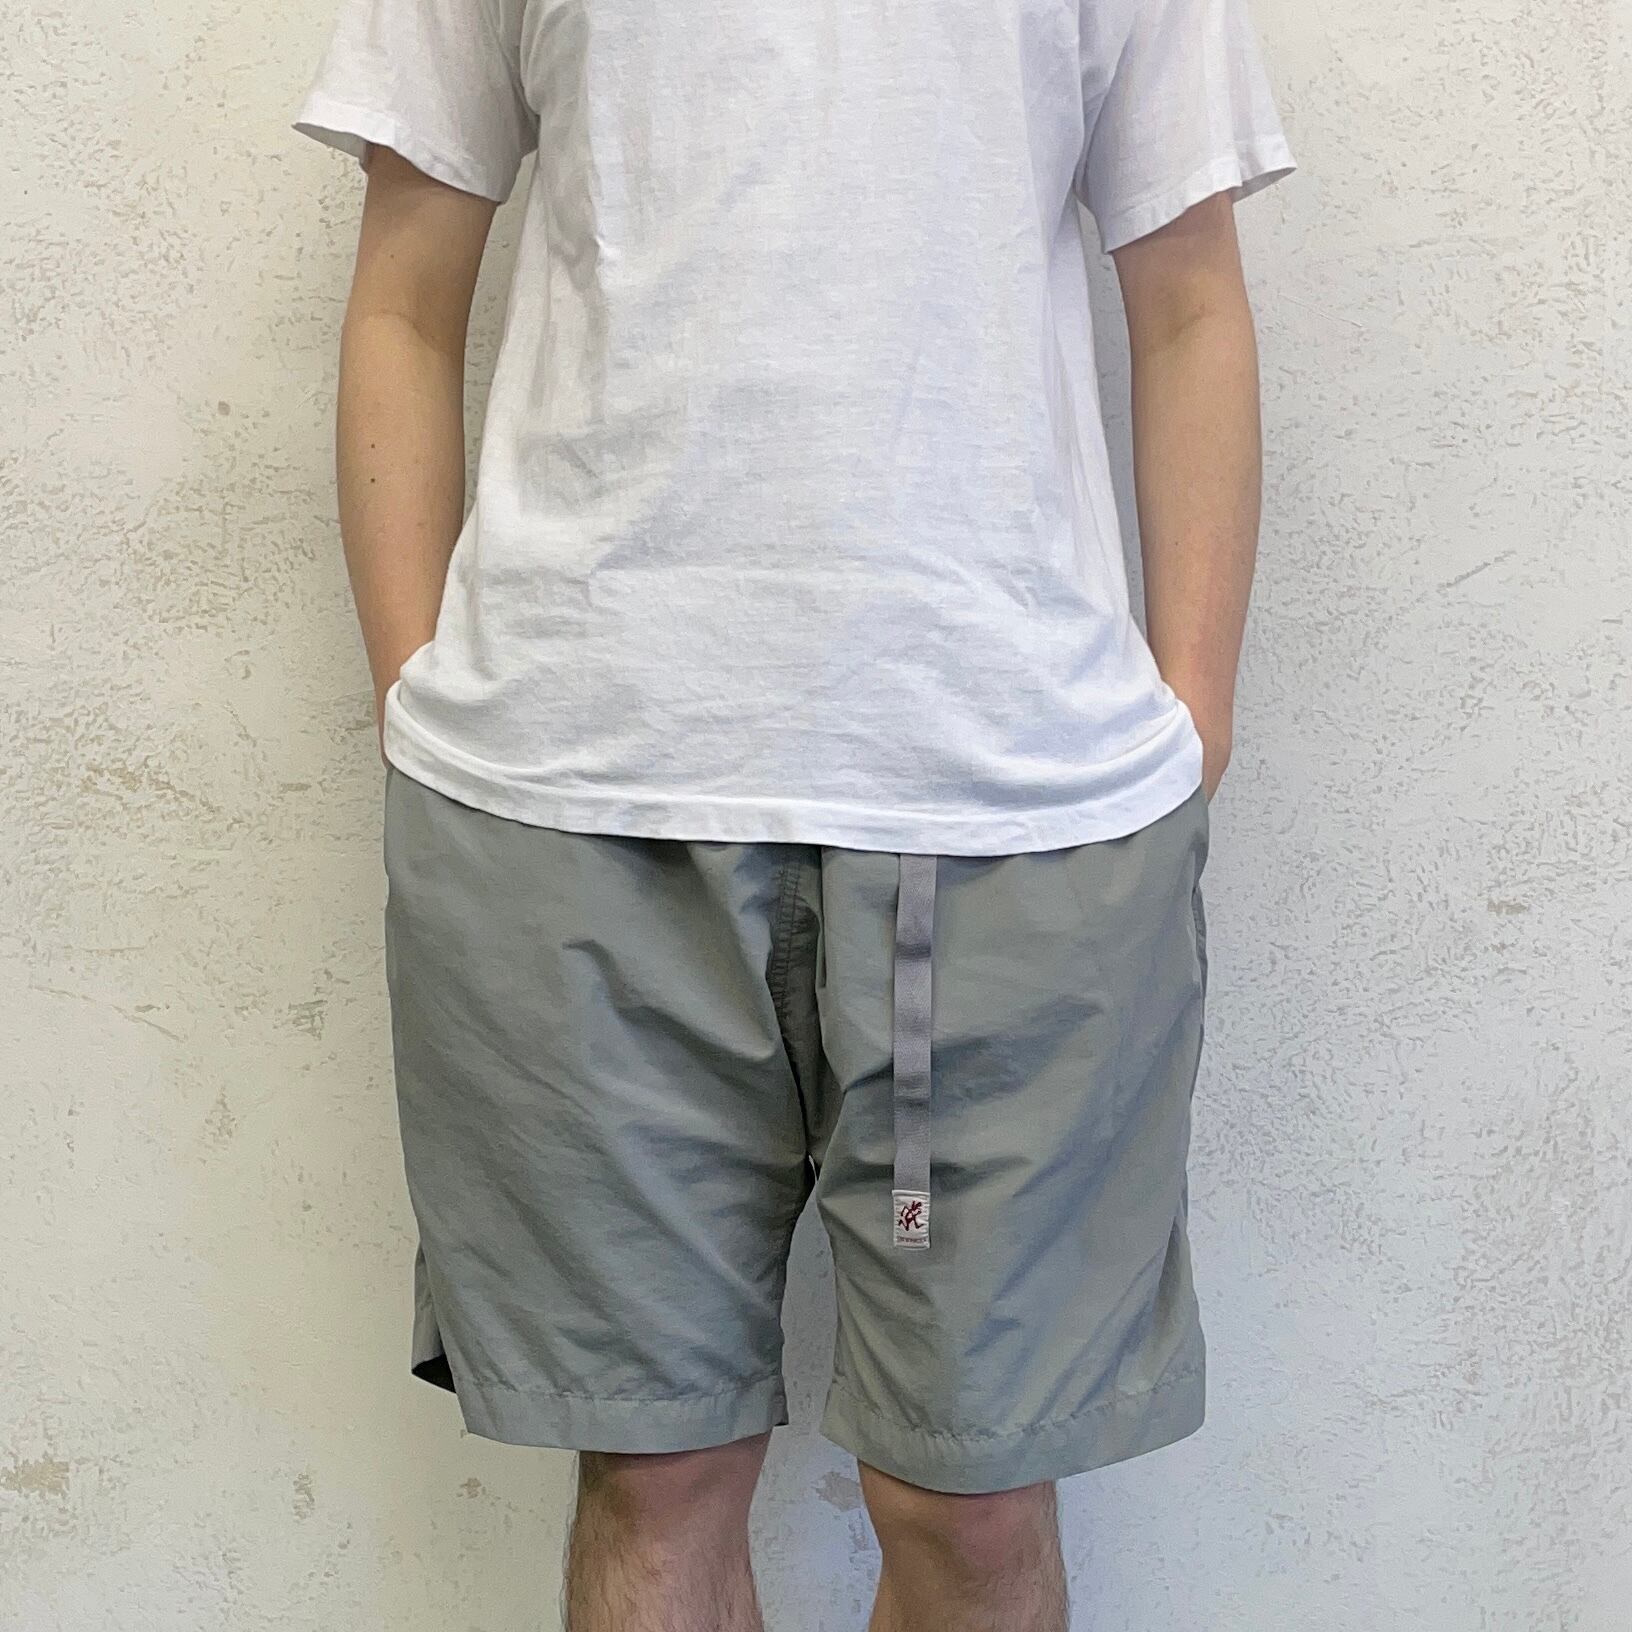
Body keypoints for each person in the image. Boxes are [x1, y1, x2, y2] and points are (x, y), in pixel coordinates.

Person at [293, 0, 1294, 1623]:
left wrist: (1194, 727)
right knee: (654, 1475)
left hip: (1013, 802)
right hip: (575, 797)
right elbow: (408, 282)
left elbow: (1187, 295)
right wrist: (412, 694)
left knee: (972, 1499)